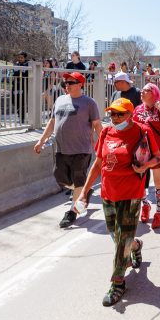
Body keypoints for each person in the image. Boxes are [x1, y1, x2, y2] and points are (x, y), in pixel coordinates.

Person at [77, 98, 160, 306]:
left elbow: (158, 157)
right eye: (112, 114)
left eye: (120, 114)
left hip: (131, 193)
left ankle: (118, 282)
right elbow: (98, 163)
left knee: (121, 239)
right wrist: (84, 193)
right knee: (117, 236)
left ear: (130, 114)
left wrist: (144, 167)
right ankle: (136, 245)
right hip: (108, 193)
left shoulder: (142, 131)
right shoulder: (106, 132)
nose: (115, 118)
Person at [33, 72, 103, 228]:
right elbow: (52, 122)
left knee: (78, 179)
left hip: (81, 149)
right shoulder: (59, 100)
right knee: (60, 178)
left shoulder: (89, 103)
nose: (67, 85)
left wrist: (104, 144)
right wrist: (41, 140)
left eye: (71, 82)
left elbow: (97, 125)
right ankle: (84, 190)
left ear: (80, 84)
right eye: (65, 82)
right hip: (62, 149)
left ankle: (72, 212)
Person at [133, 83, 160, 229]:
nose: (142, 92)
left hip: (158, 151)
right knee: (141, 181)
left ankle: (159, 213)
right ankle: (145, 205)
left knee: (158, 182)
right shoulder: (137, 109)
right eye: (142, 89)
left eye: (146, 90)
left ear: (154, 93)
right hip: (141, 151)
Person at [11, 51, 29, 121]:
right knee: (14, 99)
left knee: (22, 100)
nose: (20, 59)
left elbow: (26, 74)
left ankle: (22, 117)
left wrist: (19, 71)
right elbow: (14, 73)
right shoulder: (16, 64)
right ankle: (20, 114)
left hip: (23, 85)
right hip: (15, 84)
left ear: (24, 58)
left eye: (21, 57)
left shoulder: (27, 64)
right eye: (19, 57)